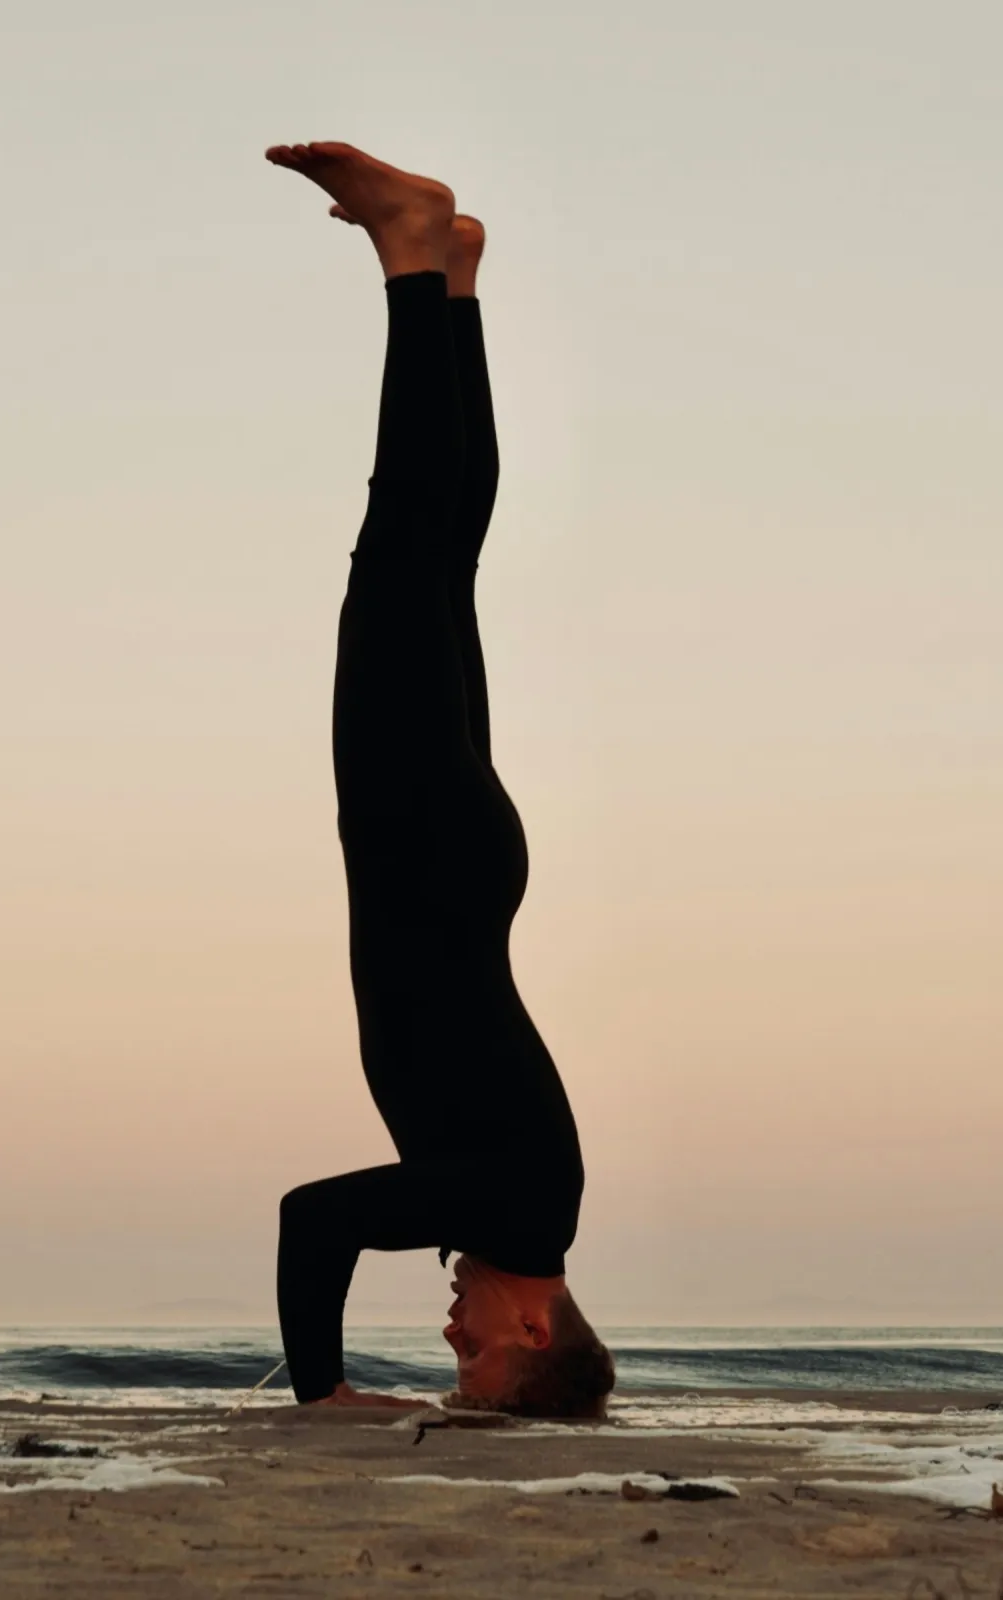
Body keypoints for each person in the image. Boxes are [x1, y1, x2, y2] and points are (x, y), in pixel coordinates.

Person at [264, 142, 614, 1417]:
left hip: (463, 859)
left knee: (439, 554)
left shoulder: (536, 1200)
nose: (452, 1330)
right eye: (477, 1352)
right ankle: (410, 252)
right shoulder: (507, 1207)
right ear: (539, 1319)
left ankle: (452, 283)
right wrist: (325, 1395)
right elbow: (314, 1221)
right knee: (402, 542)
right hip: (419, 841)